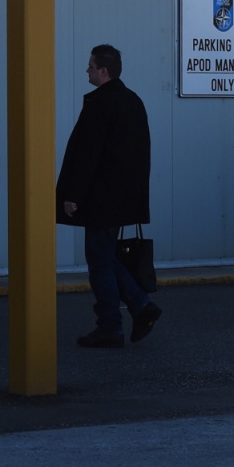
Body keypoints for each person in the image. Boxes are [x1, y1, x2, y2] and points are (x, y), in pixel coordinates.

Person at [56, 44, 162, 348]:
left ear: (103, 71)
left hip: (100, 198)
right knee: (103, 257)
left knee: (99, 261)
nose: (87, 71)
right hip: (121, 197)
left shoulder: (100, 103)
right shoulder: (132, 101)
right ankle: (129, 314)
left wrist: (72, 194)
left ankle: (117, 321)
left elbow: (87, 154)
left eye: (91, 67)